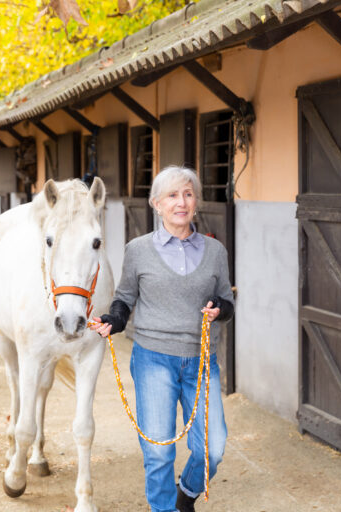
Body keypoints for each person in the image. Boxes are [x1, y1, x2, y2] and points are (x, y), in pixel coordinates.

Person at [90, 166, 234, 512]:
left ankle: (186, 492)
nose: (180, 203)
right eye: (172, 195)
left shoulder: (215, 251)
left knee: (213, 449)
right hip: (154, 358)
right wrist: (114, 319)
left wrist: (219, 310)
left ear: (196, 202)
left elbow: (227, 301)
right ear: (157, 203)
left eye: (187, 194)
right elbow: (125, 298)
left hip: (200, 361)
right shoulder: (138, 250)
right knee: (158, 452)